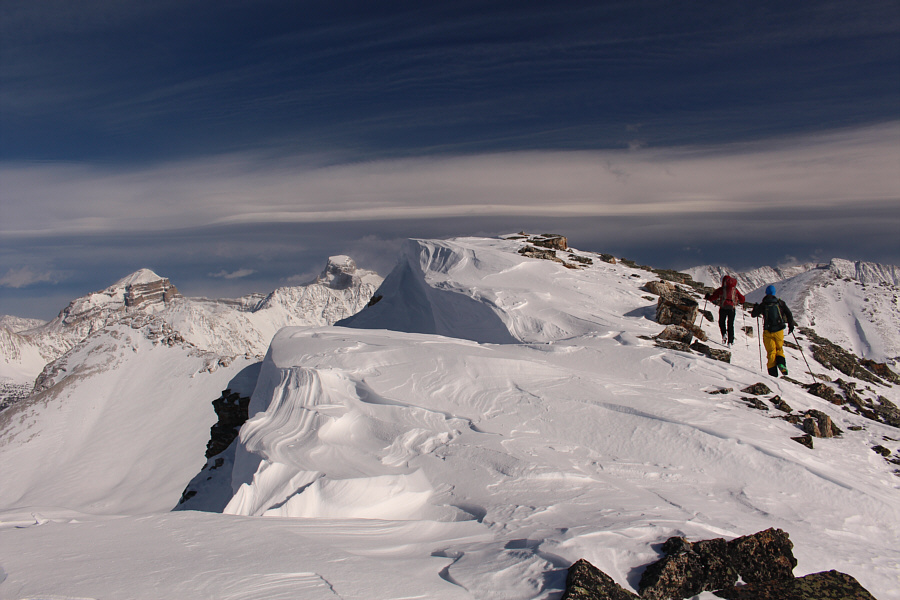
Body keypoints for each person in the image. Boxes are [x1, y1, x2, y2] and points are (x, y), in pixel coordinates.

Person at [751, 285, 797, 377]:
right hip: (779, 331)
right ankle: (781, 364)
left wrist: (755, 308)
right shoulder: (780, 303)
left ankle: (773, 374)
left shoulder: (764, 304)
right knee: (779, 348)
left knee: (771, 352)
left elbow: (753, 315)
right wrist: (791, 325)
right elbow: (789, 313)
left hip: (768, 331)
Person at [705, 275, 745, 346]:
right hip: (732, 309)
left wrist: (708, 297)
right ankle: (730, 341)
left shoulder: (722, 289)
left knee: (721, 322)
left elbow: (713, 297)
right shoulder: (735, 290)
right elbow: (742, 299)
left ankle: (724, 334)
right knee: (730, 324)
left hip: (723, 308)